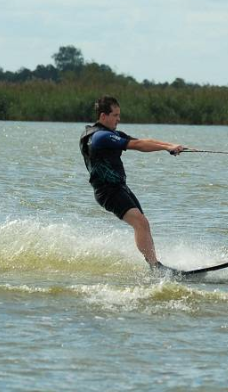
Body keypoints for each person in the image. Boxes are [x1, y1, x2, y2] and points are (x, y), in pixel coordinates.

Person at [79, 95, 184, 268]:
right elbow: (137, 146)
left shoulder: (109, 134)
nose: (119, 119)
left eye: (119, 115)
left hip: (119, 188)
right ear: (103, 116)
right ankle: (155, 267)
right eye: (115, 115)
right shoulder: (100, 137)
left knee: (143, 223)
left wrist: (172, 146)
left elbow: (142, 141)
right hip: (107, 191)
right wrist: (167, 148)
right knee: (140, 222)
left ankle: (154, 265)